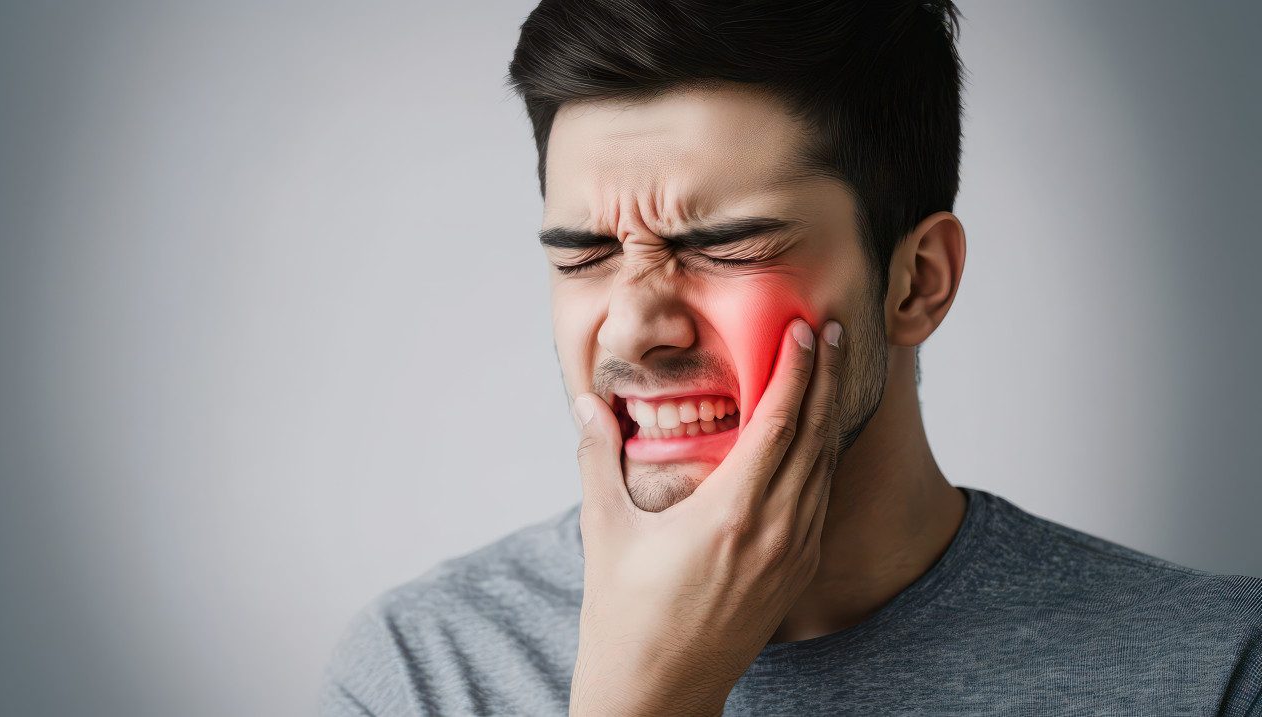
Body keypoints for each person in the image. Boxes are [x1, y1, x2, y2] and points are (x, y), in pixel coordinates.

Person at [320, 1, 1262, 714]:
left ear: (917, 282)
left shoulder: (1214, 670)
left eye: (727, 247)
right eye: (586, 256)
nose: (633, 328)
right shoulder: (422, 670)